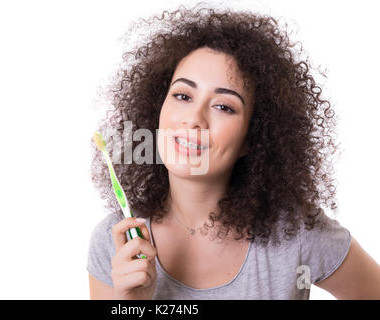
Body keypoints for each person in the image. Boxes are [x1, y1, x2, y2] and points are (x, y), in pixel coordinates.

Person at [87, 3, 380, 299]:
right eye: (183, 95)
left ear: (252, 139)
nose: (194, 119)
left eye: (224, 107)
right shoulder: (116, 244)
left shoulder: (299, 234)